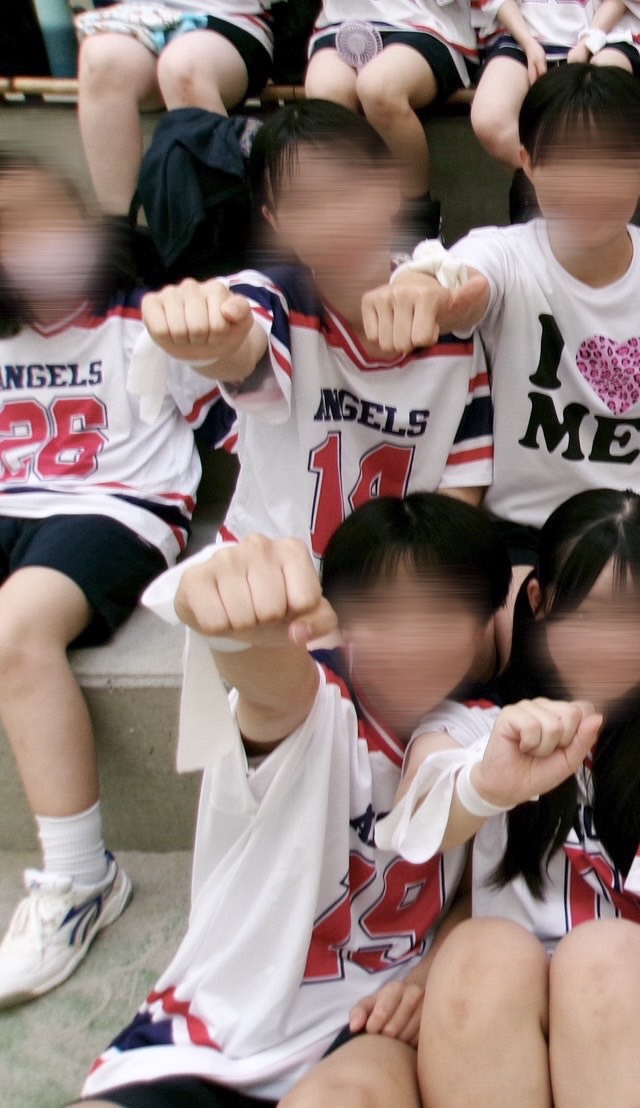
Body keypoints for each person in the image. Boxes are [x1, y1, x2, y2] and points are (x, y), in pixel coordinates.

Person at [74, 493, 511, 1107]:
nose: (412, 641)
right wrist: (243, 637)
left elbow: (473, 885)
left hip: (367, 1025)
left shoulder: (481, 730)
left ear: (484, 624)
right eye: (383, 613)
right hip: (220, 1029)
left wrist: (426, 973)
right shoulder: (318, 702)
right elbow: (272, 689)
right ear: (341, 617)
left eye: (443, 615)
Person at [377, 489, 640, 1108]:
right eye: (592, 613)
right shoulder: (487, 720)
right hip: (517, 1010)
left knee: (598, 958)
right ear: (539, 601)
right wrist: (487, 785)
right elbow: (417, 824)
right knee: (476, 953)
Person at [363, 65, 640, 652]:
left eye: (609, 160)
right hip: (515, 528)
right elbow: (459, 281)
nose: (585, 184)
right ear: (528, 164)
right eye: (563, 160)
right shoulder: (505, 254)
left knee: (607, 643)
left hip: (630, 526)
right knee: (525, 638)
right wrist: (424, 289)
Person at [0, 153, 231, 1007]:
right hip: (11, 501)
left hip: (117, 508)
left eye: (47, 217)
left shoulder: (146, 320)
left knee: (15, 631)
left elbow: (252, 418)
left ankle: (80, 877)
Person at [137, 100, 494, 563]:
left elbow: (463, 480)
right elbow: (243, 348)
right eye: (304, 205)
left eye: (347, 190)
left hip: (397, 576)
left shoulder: (444, 312)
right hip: (269, 566)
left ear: (391, 188)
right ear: (275, 222)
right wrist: (211, 339)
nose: (333, 221)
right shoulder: (274, 300)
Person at [303, 0, 484, 240]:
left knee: (379, 89)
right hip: (340, 24)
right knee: (326, 96)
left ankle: (417, 221)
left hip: (426, 25)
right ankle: (355, 221)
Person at [75, 0, 274, 217]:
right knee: (100, 58)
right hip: (138, 16)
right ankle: (119, 229)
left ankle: (223, 223)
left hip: (228, 19)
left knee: (183, 66)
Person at [469, 0, 640, 172]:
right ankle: (551, 182)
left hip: (609, 33)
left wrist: (588, 43)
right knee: (490, 119)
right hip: (519, 34)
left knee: (603, 100)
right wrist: (528, 43)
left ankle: (591, 185)